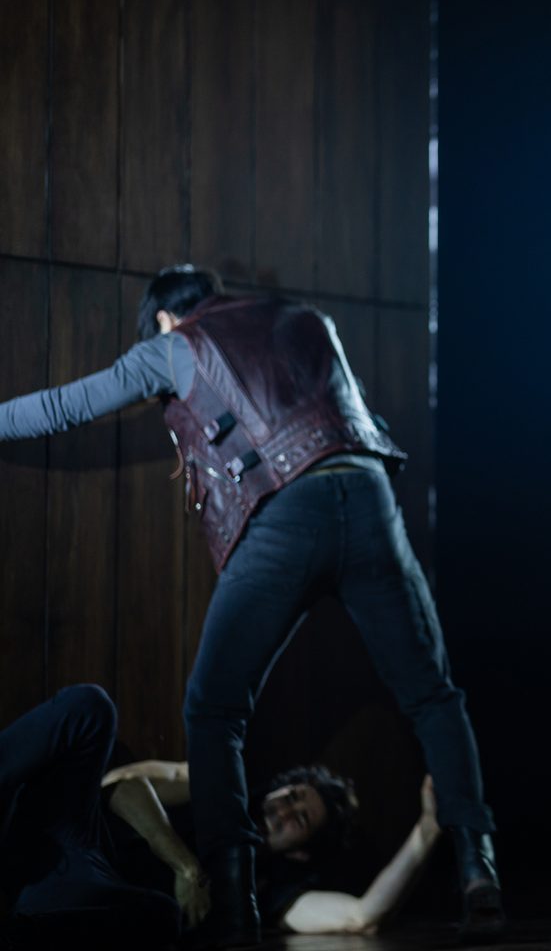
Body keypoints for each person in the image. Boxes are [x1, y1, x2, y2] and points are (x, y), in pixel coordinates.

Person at [0, 265, 502, 947]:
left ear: (165, 320)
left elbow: (63, 408)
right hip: (370, 494)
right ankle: (478, 866)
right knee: (433, 696)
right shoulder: (303, 317)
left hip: (286, 512)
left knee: (214, 709)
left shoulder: (176, 347)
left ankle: (233, 898)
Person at [101, 758, 444, 936]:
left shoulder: (270, 891)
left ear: (300, 852)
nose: (283, 811)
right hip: (87, 850)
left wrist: (427, 829)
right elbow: (120, 786)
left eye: (301, 819)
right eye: (291, 796)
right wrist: (186, 868)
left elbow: (361, 915)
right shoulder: (218, 787)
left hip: (110, 918)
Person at [0, 685, 180, 951]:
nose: (265, 825)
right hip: (65, 827)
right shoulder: (230, 799)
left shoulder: (251, 887)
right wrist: (186, 865)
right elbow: (125, 784)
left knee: (164, 916)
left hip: (80, 875)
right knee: (90, 705)